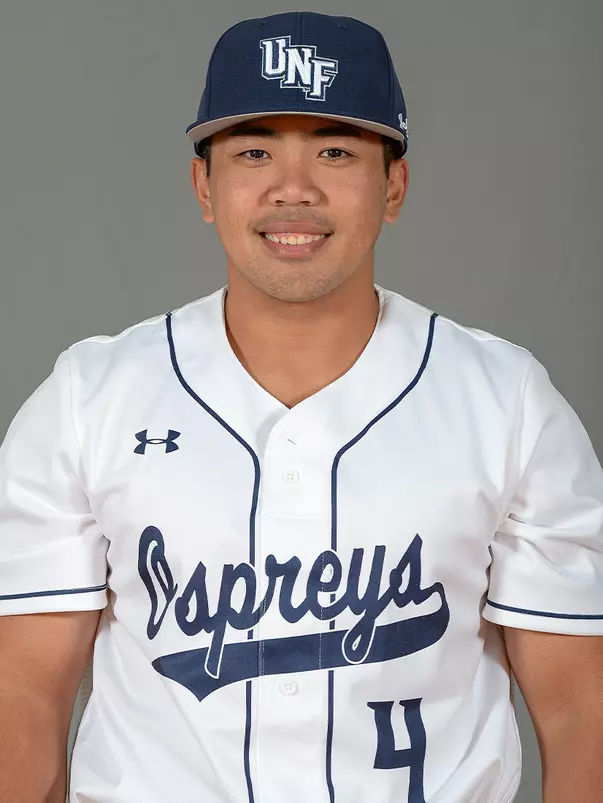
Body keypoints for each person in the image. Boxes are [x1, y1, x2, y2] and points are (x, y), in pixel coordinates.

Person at [0, 10, 602, 803]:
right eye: (253, 151)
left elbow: (575, 707)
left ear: (393, 185)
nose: (293, 188)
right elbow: (26, 698)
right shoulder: (89, 398)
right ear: (203, 186)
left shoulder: (505, 401)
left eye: (335, 151)